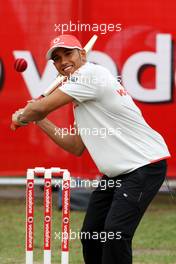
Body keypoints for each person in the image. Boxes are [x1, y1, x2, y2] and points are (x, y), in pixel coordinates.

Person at [12, 34, 171, 264]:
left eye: (69, 53)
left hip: (145, 165)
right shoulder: (81, 95)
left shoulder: (90, 75)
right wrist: (37, 118)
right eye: (57, 58)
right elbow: (76, 146)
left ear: (82, 54)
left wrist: (25, 115)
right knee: (91, 236)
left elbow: (42, 107)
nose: (63, 60)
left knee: (114, 235)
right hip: (117, 174)